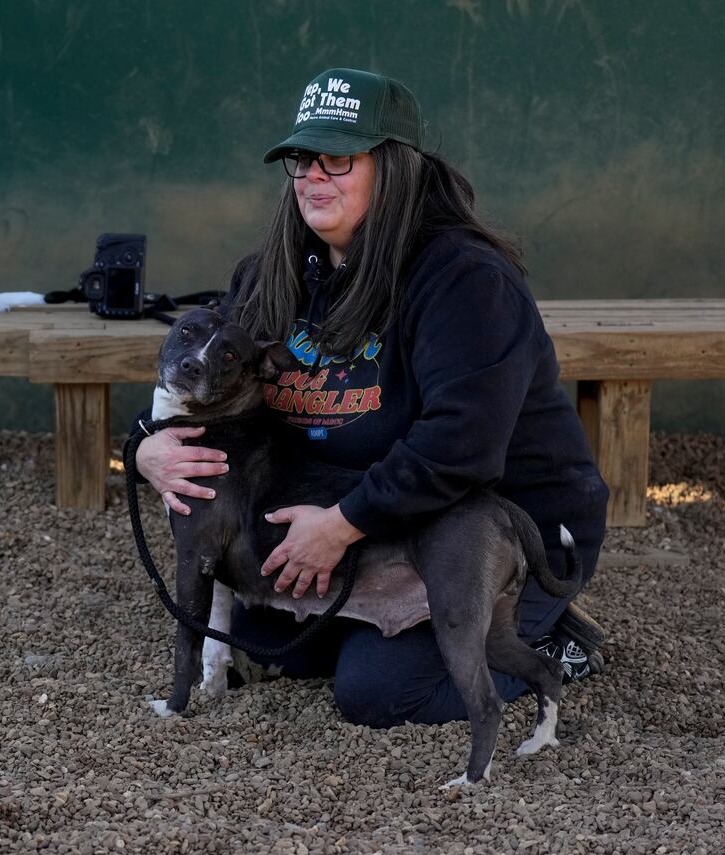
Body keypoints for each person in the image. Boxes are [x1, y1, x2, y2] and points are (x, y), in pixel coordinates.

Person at [134, 66, 610, 728]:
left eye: (337, 158)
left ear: (395, 167)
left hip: (489, 523)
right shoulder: (272, 271)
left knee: (380, 691)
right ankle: (374, 617)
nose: (312, 177)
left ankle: (547, 636)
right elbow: (203, 372)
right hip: (369, 525)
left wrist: (339, 525)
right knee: (271, 644)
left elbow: (461, 445)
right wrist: (146, 448)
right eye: (301, 159)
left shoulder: (464, 280)